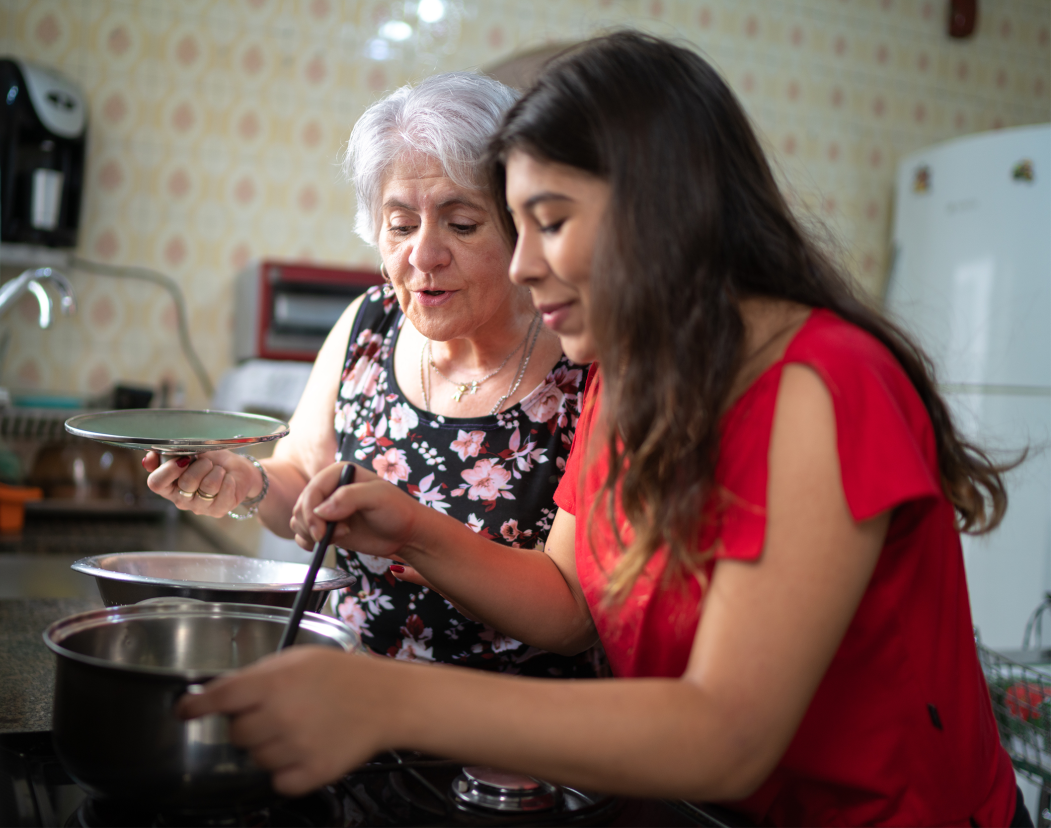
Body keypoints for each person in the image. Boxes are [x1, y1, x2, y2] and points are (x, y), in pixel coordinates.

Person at [175, 31, 1030, 828]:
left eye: (545, 221)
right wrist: (403, 525)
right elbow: (569, 602)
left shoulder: (821, 385)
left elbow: (726, 735)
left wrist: (387, 702)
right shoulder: (633, 380)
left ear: (660, 208)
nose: (519, 264)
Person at [143, 72, 601, 678]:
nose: (423, 255)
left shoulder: (585, 361)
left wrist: (414, 533)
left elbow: (571, 620)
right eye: (401, 225)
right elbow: (305, 483)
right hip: (353, 708)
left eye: (461, 225)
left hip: (509, 748)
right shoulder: (368, 325)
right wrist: (246, 482)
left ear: (521, 226)